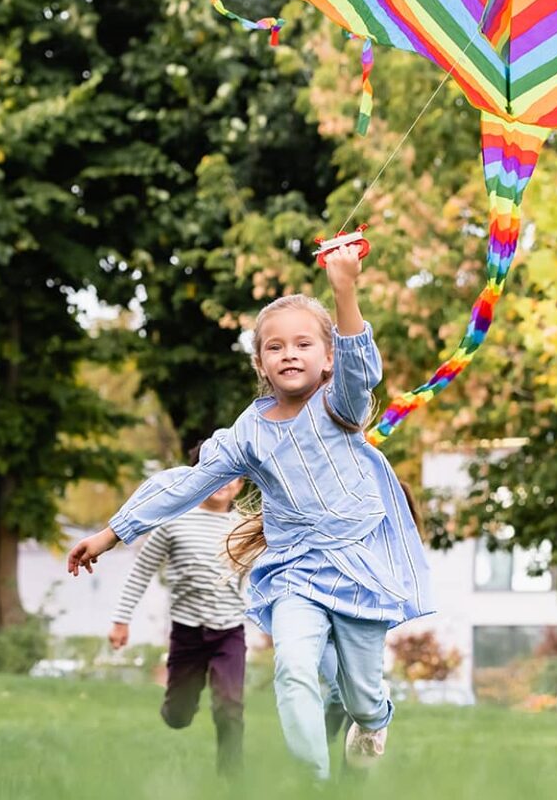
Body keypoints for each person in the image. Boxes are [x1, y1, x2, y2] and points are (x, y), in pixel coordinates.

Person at [69, 244, 431, 781]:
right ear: (260, 363)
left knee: (360, 692)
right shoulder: (249, 433)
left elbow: (361, 368)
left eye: (304, 344)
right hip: (295, 571)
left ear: (326, 357)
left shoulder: (341, 406)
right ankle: (315, 779)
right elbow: (186, 484)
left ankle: (373, 721)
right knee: (292, 671)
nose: (290, 354)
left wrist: (344, 289)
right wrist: (110, 534)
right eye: (275, 347)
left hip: (360, 566)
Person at [107, 443, 247, 776]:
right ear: (198, 477)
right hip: (187, 631)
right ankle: (177, 707)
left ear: (241, 483)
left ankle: (232, 780)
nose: (224, 481)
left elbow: (262, 575)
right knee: (178, 716)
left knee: (230, 706)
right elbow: (141, 570)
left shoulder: (245, 526)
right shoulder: (173, 522)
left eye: (232, 475)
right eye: (215, 471)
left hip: (230, 630)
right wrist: (121, 620)